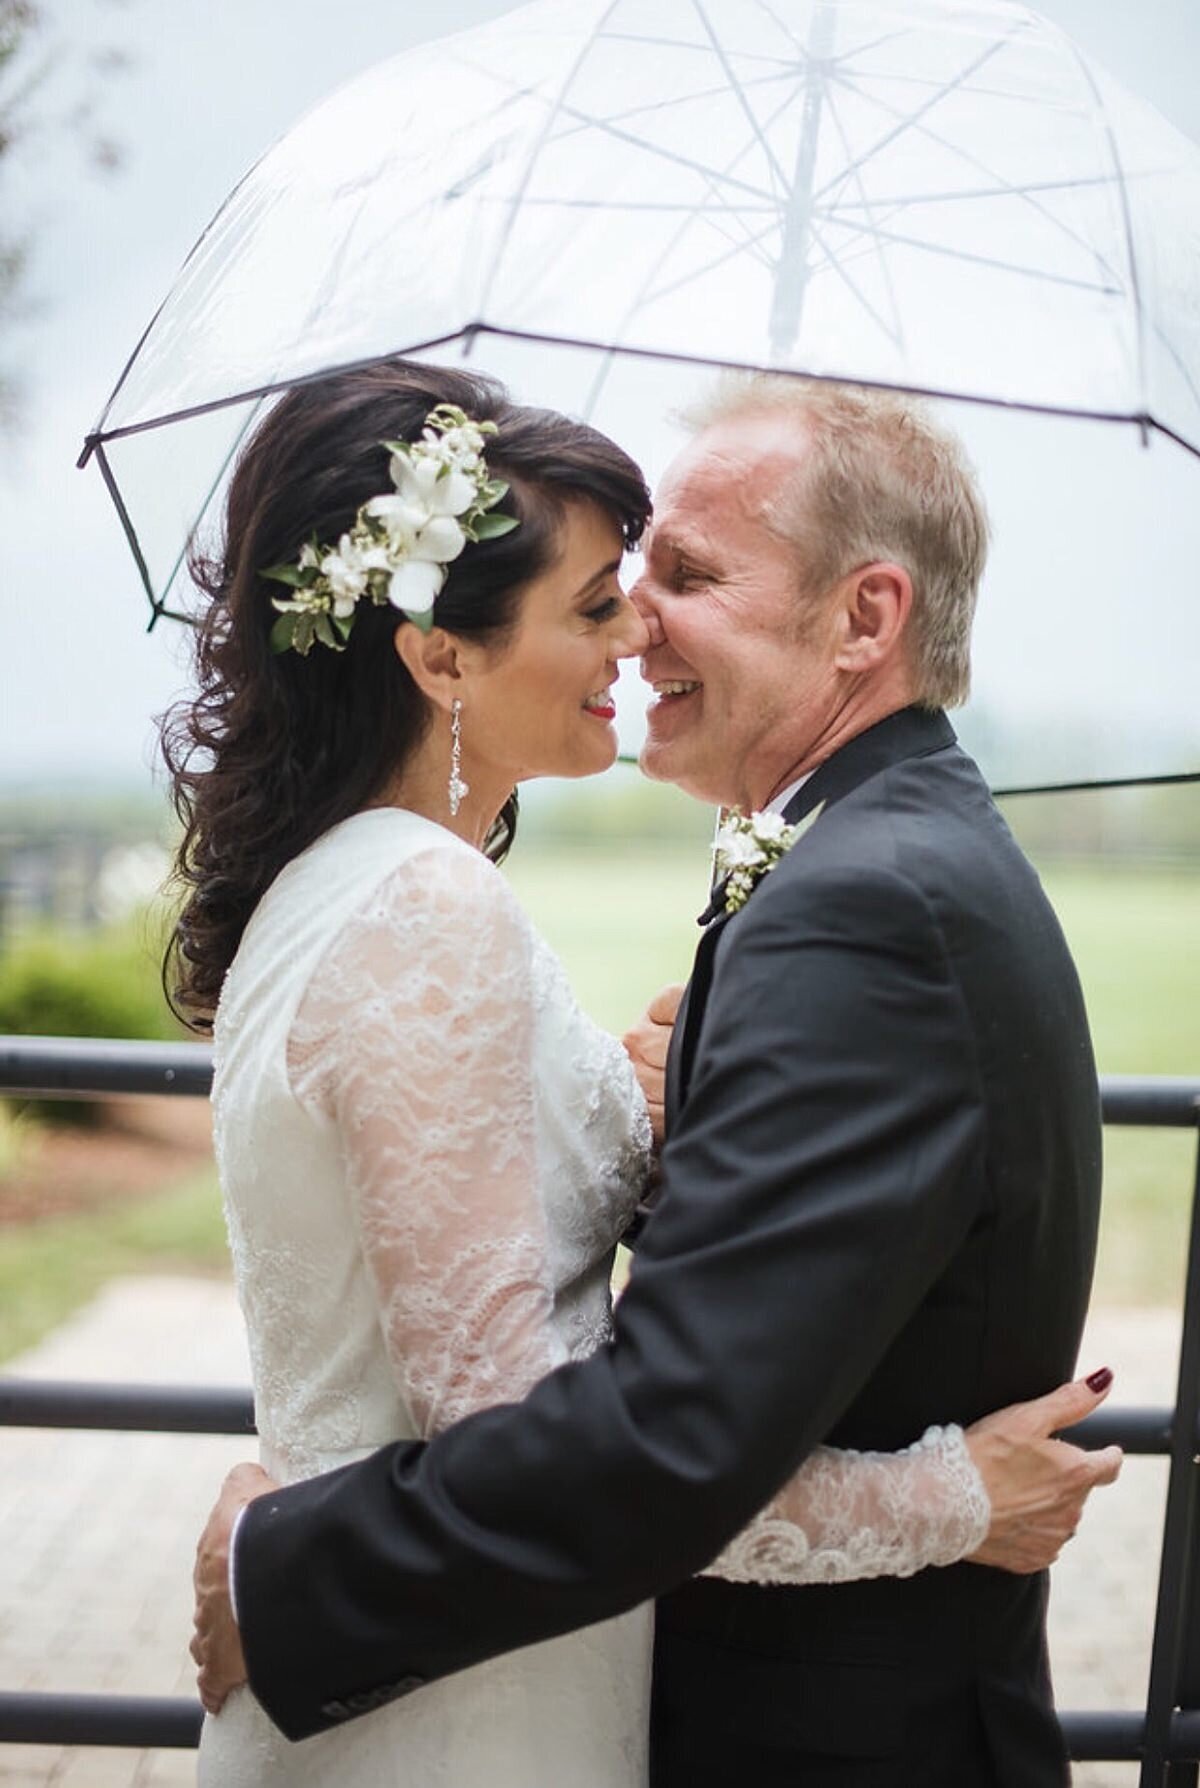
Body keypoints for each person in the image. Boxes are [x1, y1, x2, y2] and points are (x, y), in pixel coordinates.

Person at [184, 363, 1119, 1788]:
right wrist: (947, 1498)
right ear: (438, 652)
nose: (638, 627)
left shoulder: (866, 901)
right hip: (487, 1697)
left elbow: (667, 1437)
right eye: (607, 592)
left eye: (681, 574)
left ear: (866, 618)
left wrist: (282, 1572)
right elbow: (618, 1427)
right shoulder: (848, 874)